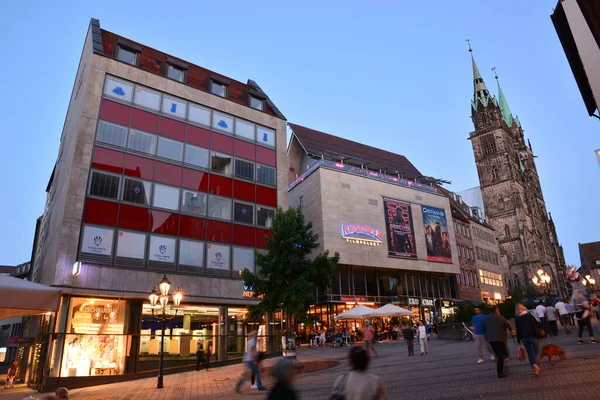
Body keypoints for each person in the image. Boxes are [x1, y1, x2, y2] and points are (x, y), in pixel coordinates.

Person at [483, 305, 515, 378]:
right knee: (501, 355)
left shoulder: (486, 318)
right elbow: (507, 324)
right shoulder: (500, 317)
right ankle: (500, 372)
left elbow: (483, 328)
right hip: (500, 339)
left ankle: (501, 367)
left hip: (490, 339)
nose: (498, 310)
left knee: (498, 354)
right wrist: (511, 330)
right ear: (496, 310)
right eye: (497, 309)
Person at [515, 303, 542, 377]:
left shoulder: (517, 318)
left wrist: (518, 341)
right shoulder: (529, 315)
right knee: (536, 351)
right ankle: (536, 365)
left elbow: (518, 330)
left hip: (523, 338)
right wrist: (539, 334)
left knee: (530, 352)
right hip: (532, 336)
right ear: (523, 308)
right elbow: (535, 325)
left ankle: (534, 367)